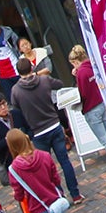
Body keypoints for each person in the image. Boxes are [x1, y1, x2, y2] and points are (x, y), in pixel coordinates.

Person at [9, 57, 85, 201]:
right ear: (32, 68)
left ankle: (58, 196)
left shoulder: (15, 91)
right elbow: (60, 84)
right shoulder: (44, 80)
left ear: (18, 72)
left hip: (38, 132)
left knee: (45, 166)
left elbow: (16, 107)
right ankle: (75, 194)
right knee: (64, 161)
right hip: (54, 125)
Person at [67, 44, 106, 151]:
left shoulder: (81, 72)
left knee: (104, 140)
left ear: (75, 62)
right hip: (100, 103)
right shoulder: (91, 66)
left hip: (91, 108)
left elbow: (84, 93)